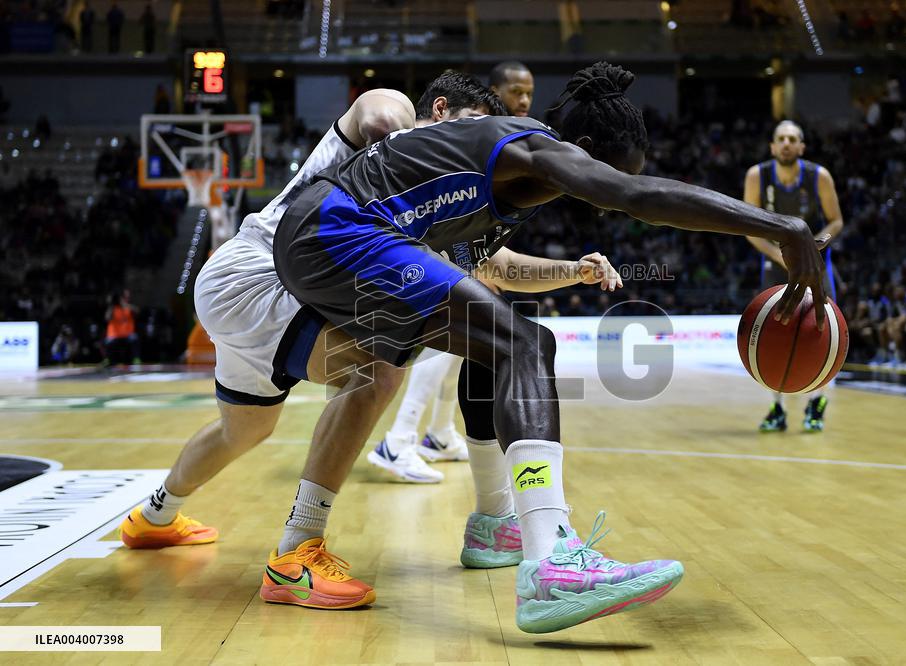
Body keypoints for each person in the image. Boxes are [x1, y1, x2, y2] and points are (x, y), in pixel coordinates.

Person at [266, 62, 827, 632]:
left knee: (503, 340)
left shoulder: (496, 181)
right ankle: (551, 560)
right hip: (334, 230)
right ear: (581, 149)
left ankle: (496, 523)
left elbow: (488, 268)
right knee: (525, 345)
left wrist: (570, 270)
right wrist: (782, 226)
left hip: (327, 236)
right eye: (607, 174)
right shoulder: (531, 143)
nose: (603, 203)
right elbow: (635, 196)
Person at [118, 72, 621, 608]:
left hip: (252, 298)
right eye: (472, 129)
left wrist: (575, 270)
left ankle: (153, 515)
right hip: (261, 277)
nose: (480, 152)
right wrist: (409, 141)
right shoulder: (398, 122)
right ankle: (295, 555)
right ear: (441, 109)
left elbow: (496, 266)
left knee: (241, 432)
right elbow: (376, 112)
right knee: (381, 363)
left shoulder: (439, 204)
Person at [369, 62, 537, 484]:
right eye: (515, 91)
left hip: (454, 245)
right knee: (454, 333)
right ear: (494, 94)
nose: (524, 101)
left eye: (529, 93)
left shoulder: (510, 142)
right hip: (408, 248)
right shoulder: (471, 141)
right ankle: (399, 439)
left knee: (463, 343)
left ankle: (438, 433)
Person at [743, 120, 844, 432]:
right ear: (773, 147)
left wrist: (813, 249)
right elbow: (749, 226)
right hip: (776, 263)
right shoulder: (757, 175)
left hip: (814, 265)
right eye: (781, 139)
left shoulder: (820, 177)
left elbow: (836, 221)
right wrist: (781, 257)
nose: (786, 143)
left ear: (801, 147)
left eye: (792, 139)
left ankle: (817, 401)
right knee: (773, 334)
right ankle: (777, 408)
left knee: (821, 331)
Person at [104, 290, 140, 365]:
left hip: (127, 334)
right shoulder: (113, 308)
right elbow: (107, 318)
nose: (126, 299)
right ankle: (107, 359)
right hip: (115, 335)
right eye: (124, 298)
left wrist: (126, 306)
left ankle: (136, 359)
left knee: (135, 338)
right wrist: (111, 305)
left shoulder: (129, 307)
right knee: (108, 341)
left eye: (127, 297)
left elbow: (137, 311)